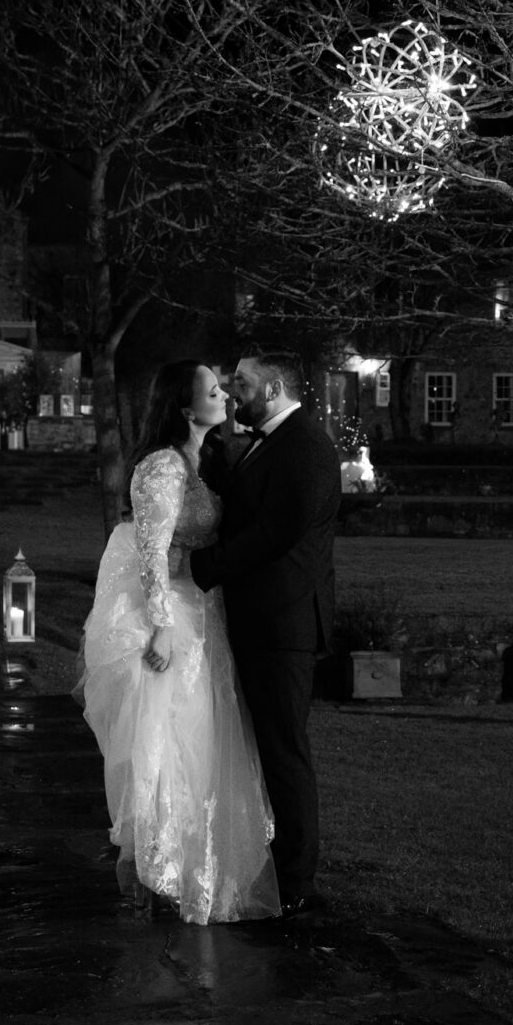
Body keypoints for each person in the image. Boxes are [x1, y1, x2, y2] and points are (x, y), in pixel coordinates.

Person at [75, 361, 281, 924]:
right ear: (186, 408)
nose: (226, 395)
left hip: (205, 611)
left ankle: (200, 864)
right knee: (167, 742)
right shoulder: (162, 467)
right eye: (214, 390)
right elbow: (150, 552)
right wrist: (162, 625)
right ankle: (161, 865)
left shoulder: (205, 460)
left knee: (203, 740)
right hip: (169, 615)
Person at [190, 351, 342, 916]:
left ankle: (298, 883)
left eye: (244, 384)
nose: (233, 393)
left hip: (284, 623)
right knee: (262, 750)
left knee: (284, 753)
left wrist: (205, 569)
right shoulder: (268, 443)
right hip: (260, 619)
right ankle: (269, 865)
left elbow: (276, 533)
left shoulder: (305, 446)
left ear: (275, 387)